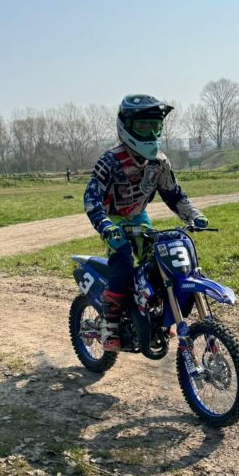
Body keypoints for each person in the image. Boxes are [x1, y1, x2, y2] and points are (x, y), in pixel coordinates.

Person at [84, 94, 208, 351]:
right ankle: (109, 324)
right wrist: (105, 225)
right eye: (143, 126)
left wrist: (194, 215)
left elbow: (174, 195)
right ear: (126, 127)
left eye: (155, 126)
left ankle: (158, 314)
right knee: (123, 261)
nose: (151, 132)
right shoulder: (109, 162)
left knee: (160, 260)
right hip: (113, 218)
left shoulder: (159, 163)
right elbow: (91, 198)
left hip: (139, 216)